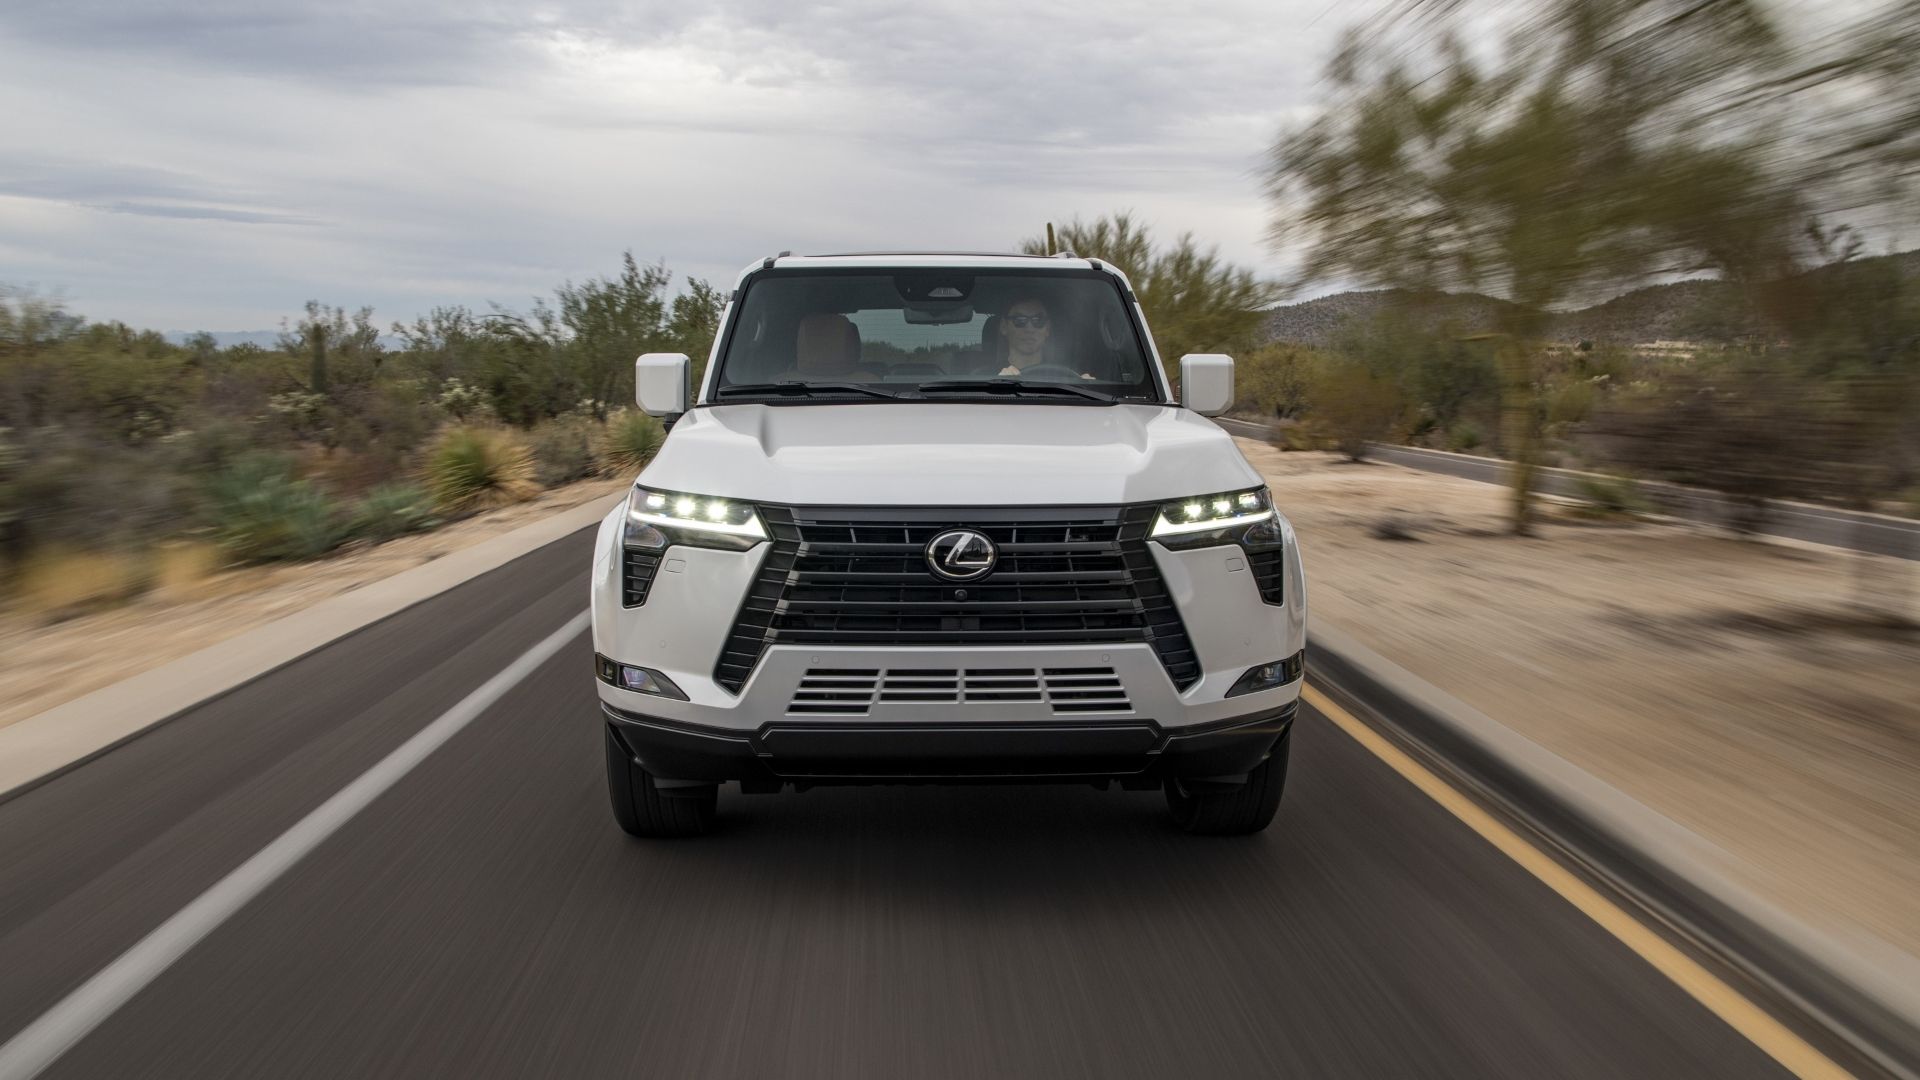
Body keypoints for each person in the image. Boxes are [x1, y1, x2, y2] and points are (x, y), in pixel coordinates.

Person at [996, 297, 1053, 376]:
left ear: (1048, 328)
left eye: (1038, 320)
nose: (1030, 329)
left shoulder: (1063, 378)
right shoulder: (984, 377)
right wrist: (999, 383)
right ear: (1004, 326)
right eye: (1020, 320)